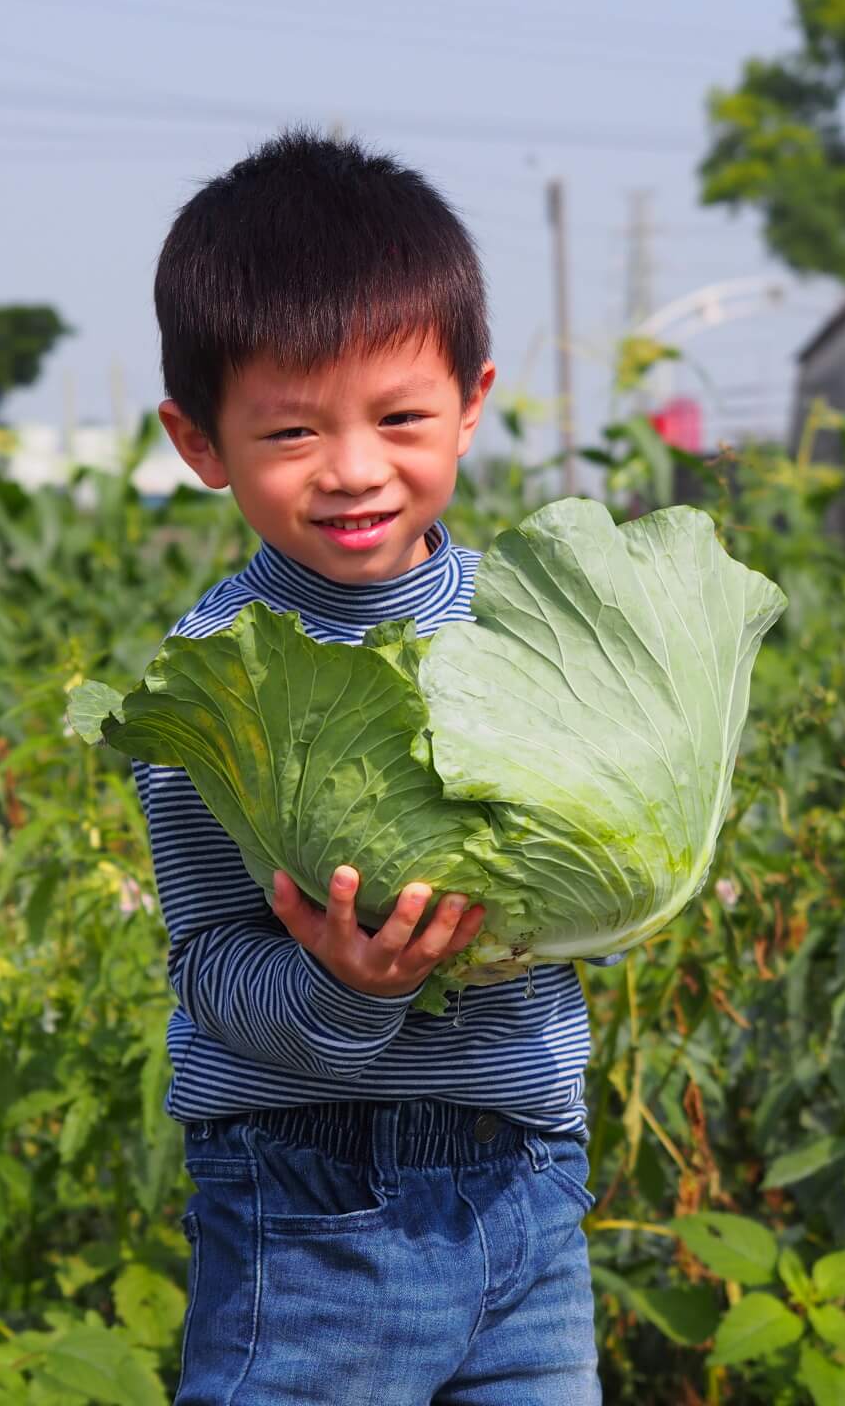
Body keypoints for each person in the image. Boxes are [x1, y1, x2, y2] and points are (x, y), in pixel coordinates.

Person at [135, 129, 602, 1405]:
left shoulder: (537, 629)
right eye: (291, 431)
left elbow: (598, 881)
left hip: (532, 1185)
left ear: (474, 401)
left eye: (401, 418)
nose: (353, 469)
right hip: (310, 1194)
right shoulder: (212, 677)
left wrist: (608, 887)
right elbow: (211, 959)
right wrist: (343, 988)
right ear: (200, 441)